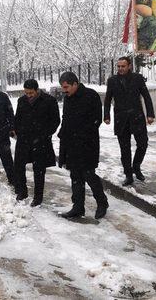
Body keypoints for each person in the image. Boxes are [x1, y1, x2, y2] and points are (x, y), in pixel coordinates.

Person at [57, 72, 108, 219]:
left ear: (75, 84)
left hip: (87, 144)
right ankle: (78, 207)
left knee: (89, 174)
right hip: (71, 144)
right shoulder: (68, 99)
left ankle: (102, 202)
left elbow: (96, 120)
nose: (64, 90)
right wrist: (63, 135)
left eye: (66, 87)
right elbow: (65, 119)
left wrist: (82, 134)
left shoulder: (91, 96)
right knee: (75, 177)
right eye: (63, 88)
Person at [104, 56, 155, 186]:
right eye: (119, 66)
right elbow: (108, 99)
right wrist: (106, 116)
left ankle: (136, 166)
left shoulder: (137, 78)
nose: (121, 69)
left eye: (123, 66)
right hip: (121, 119)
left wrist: (150, 114)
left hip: (136, 117)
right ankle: (128, 175)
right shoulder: (112, 80)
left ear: (129, 66)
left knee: (143, 144)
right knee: (125, 149)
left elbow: (146, 96)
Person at [13, 79, 60, 207]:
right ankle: (22, 192)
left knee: (39, 169)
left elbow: (55, 120)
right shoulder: (21, 101)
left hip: (41, 140)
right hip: (24, 139)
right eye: (26, 93)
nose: (28, 95)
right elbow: (18, 118)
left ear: (37, 90)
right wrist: (17, 131)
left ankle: (38, 197)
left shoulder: (49, 101)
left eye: (31, 93)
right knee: (18, 166)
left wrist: (45, 134)